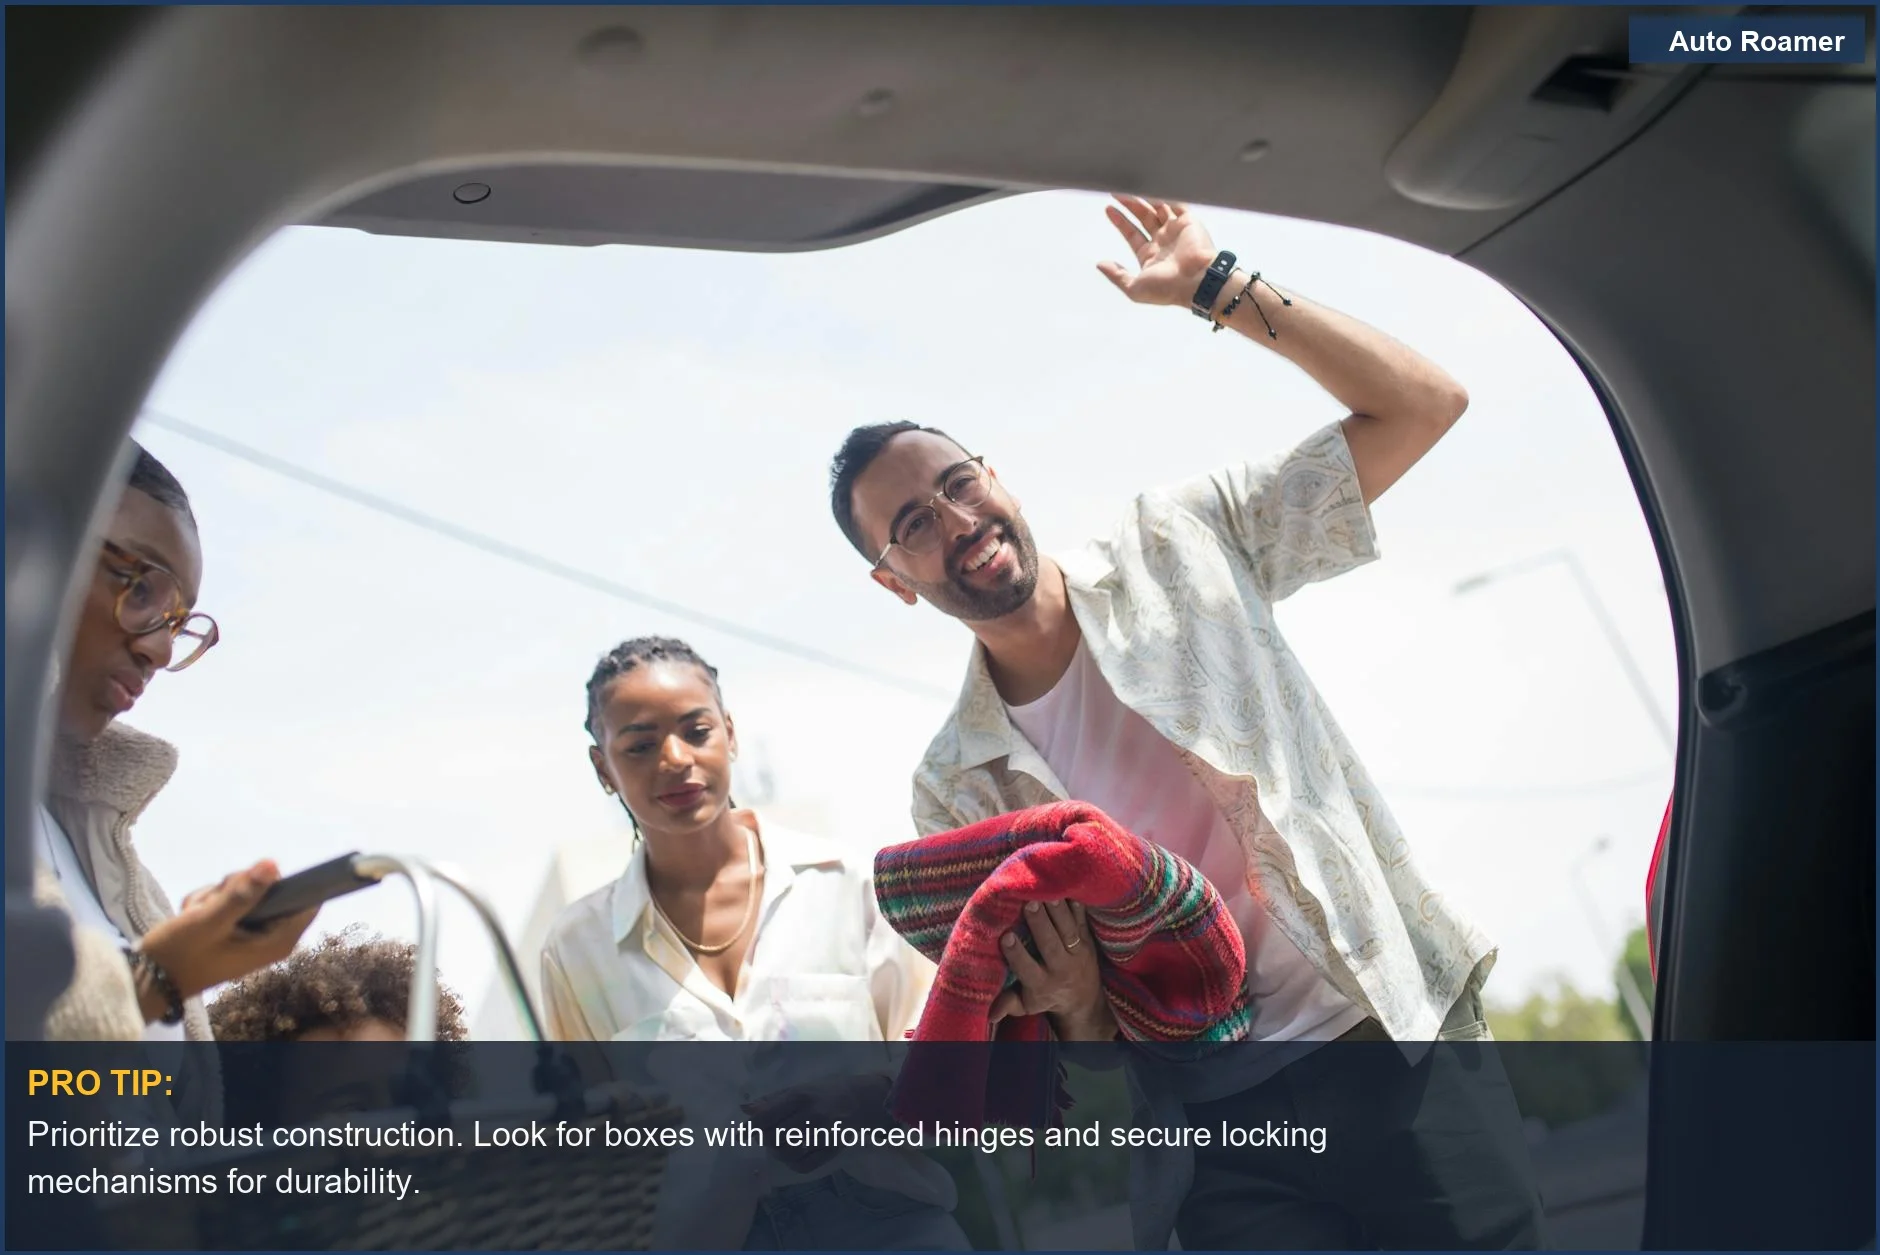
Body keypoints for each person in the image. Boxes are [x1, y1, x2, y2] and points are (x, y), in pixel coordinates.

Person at [828, 196, 1544, 1249]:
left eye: (959, 483)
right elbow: (1082, 1048)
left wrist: (1219, 287)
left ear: (996, 474)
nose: (960, 522)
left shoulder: (1178, 542)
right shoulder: (956, 790)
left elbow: (1422, 405)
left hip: (1391, 1039)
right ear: (893, 581)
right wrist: (1078, 1004)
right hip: (1218, 1132)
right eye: (914, 526)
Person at [540, 636, 967, 1251]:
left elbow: (943, 1075)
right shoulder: (577, 950)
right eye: (639, 745)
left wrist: (863, 1099)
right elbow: (593, 1146)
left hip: (890, 1222)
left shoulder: (847, 886)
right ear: (603, 768)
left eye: (697, 731)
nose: (676, 759)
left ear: (731, 733)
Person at [34, 442, 317, 1045]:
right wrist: (160, 976)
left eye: (177, 623)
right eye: (141, 590)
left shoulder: (104, 860)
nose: (161, 652)